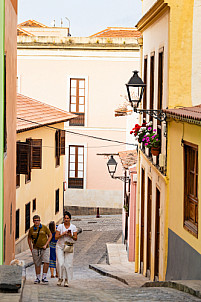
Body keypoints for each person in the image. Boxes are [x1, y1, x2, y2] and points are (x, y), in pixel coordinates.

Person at [28, 215, 52, 284]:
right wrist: (31, 248)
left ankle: (44, 277)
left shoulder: (44, 227)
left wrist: (46, 244)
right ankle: (38, 277)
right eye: (35, 220)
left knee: (46, 261)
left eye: (37, 220)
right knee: (37, 263)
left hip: (45, 248)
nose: (36, 222)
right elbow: (29, 238)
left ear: (40, 220)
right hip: (36, 248)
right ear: (33, 221)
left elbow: (50, 235)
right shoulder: (31, 229)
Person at [55, 211, 77, 287]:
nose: (66, 219)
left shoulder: (73, 227)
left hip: (69, 246)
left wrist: (70, 235)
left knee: (68, 263)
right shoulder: (60, 226)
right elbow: (56, 237)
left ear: (70, 219)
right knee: (60, 263)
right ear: (63, 219)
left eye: (68, 218)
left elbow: (75, 238)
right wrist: (62, 234)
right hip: (60, 246)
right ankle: (60, 278)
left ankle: (66, 280)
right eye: (65, 218)